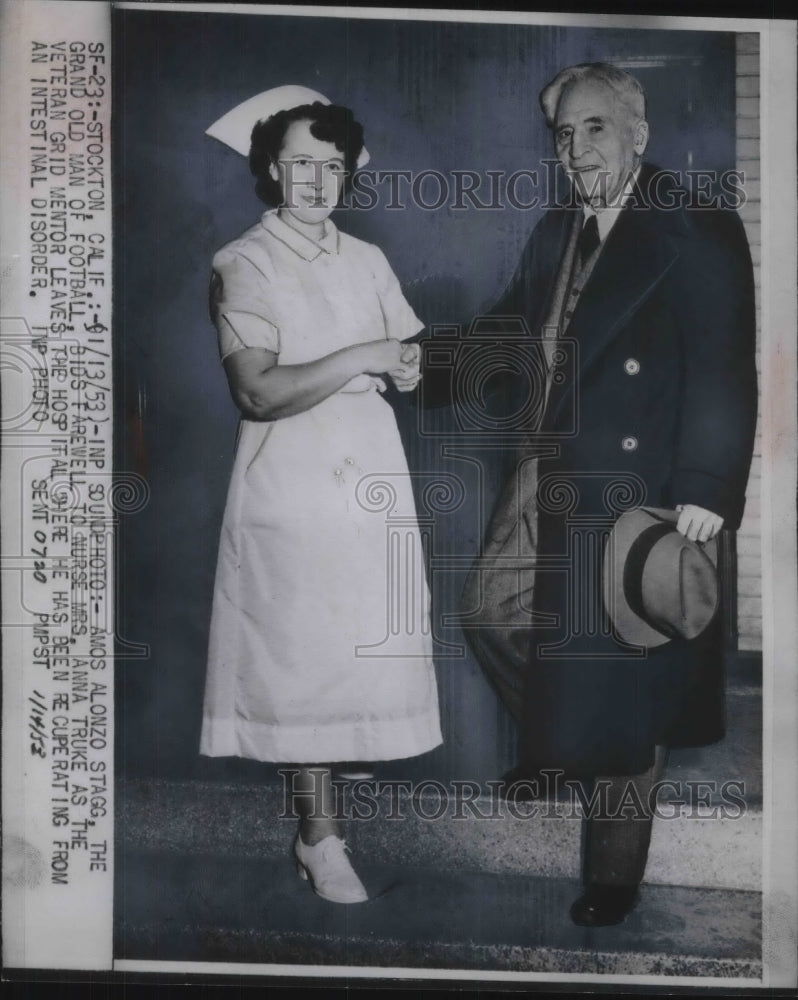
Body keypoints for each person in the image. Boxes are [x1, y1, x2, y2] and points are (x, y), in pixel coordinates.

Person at [461, 63, 757, 926]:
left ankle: (615, 877)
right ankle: (567, 732)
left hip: (639, 491)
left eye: (595, 127)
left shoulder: (694, 222)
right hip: (547, 470)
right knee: (489, 611)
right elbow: (507, 331)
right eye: (563, 133)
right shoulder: (559, 227)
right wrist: (421, 363)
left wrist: (707, 485)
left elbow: (724, 365)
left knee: (628, 676)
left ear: (639, 133)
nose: (576, 147)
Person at [200, 86, 442, 904]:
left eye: (331, 166)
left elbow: (403, 360)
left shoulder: (366, 258)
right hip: (290, 477)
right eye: (300, 163)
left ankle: (329, 824)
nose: (316, 181)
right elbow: (259, 393)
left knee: (357, 653)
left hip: (366, 470)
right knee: (302, 659)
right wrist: (365, 352)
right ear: (272, 168)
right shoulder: (244, 261)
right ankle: (318, 838)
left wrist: (403, 365)